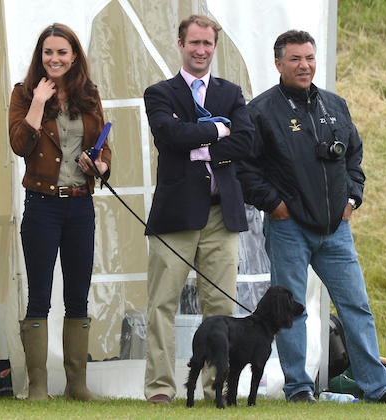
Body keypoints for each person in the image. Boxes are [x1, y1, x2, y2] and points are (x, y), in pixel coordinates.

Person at [237, 29, 386, 403]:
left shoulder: (335, 105)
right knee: (291, 311)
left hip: (335, 230)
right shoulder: (260, 111)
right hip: (288, 228)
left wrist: (352, 200)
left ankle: (377, 387)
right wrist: (273, 205)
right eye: (295, 59)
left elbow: (354, 158)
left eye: (309, 57)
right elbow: (244, 168)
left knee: (356, 305)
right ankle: (298, 389)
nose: (304, 65)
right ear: (278, 64)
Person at [142, 15, 254, 404]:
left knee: (220, 308)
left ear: (214, 47)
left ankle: (215, 389)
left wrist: (197, 143)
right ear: (180, 44)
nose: (201, 50)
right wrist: (217, 130)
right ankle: (160, 388)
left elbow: (246, 143)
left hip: (222, 214)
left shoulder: (231, 92)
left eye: (208, 44)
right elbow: (169, 136)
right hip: (175, 215)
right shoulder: (160, 93)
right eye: (194, 43)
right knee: (162, 305)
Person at [8, 23, 111, 401]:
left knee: (78, 294)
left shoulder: (89, 94)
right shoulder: (23, 93)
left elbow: (103, 146)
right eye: (48, 53)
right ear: (40, 56)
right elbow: (19, 145)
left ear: (74, 57)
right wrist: (37, 102)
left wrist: (98, 166)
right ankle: (37, 386)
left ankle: (77, 385)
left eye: (62, 53)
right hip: (42, 205)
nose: (54, 59)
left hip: (81, 203)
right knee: (40, 294)